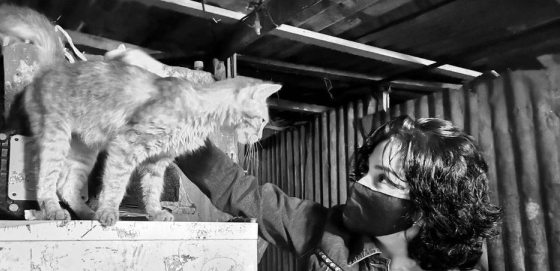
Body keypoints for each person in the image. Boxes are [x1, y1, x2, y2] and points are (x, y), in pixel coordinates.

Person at [107, 50, 502, 271]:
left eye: (385, 181)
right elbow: (236, 187)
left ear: (429, 209)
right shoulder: (326, 231)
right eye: (366, 170)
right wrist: (169, 98)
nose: (360, 185)